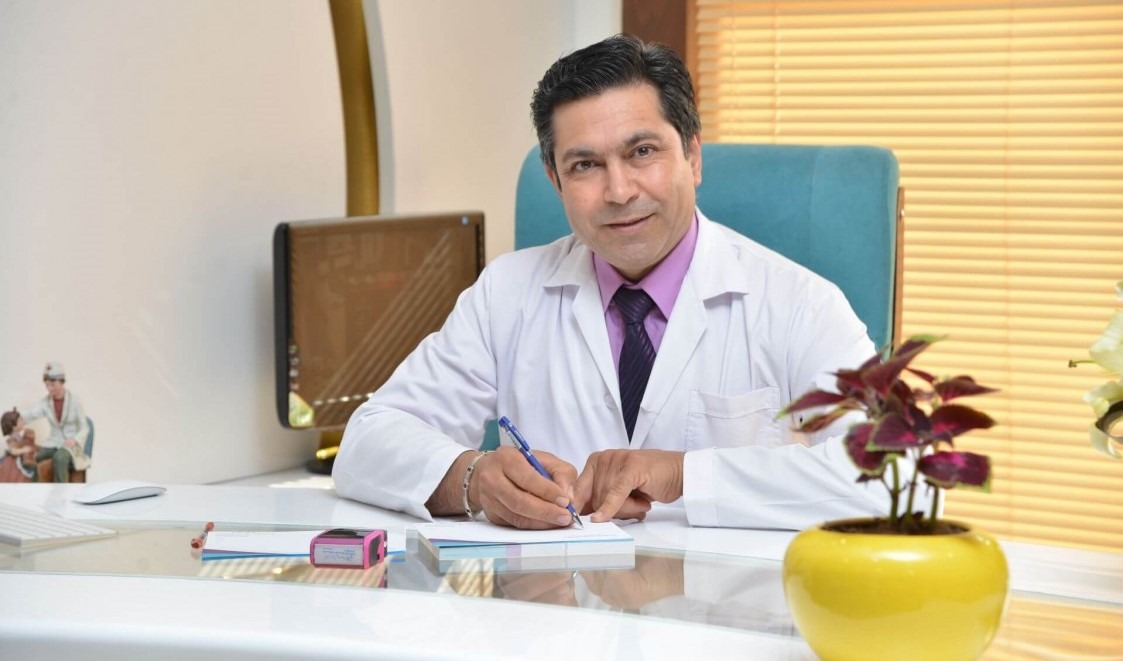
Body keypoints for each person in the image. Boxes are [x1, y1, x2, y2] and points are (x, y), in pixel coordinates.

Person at [334, 34, 907, 530]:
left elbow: (895, 474)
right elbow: (367, 440)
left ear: (693, 157)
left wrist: (683, 474)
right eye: (585, 165)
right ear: (555, 180)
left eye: (642, 152)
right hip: (550, 610)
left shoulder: (799, 303)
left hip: (725, 611)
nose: (619, 191)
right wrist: (473, 477)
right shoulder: (506, 292)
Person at [24, 362, 90, 483]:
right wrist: (16, 418)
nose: (49, 389)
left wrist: (74, 440)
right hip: (53, 443)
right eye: (47, 385)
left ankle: (61, 492)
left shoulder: (75, 401)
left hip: (70, 446)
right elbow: (32, 414)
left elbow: (85, 428)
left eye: (53, 385)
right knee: (34, 457)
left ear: (61, 382)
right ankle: (33, 490)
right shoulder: (45, 402)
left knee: (59, 458)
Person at [0, 408, 37, 483]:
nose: (23, 421)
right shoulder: (13, 437)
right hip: (15, 460)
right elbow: (13, 451)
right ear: (14, 426)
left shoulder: (22, 433)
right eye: (20, 420)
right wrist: (24, 450)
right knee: (15, 476)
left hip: (22, 457)